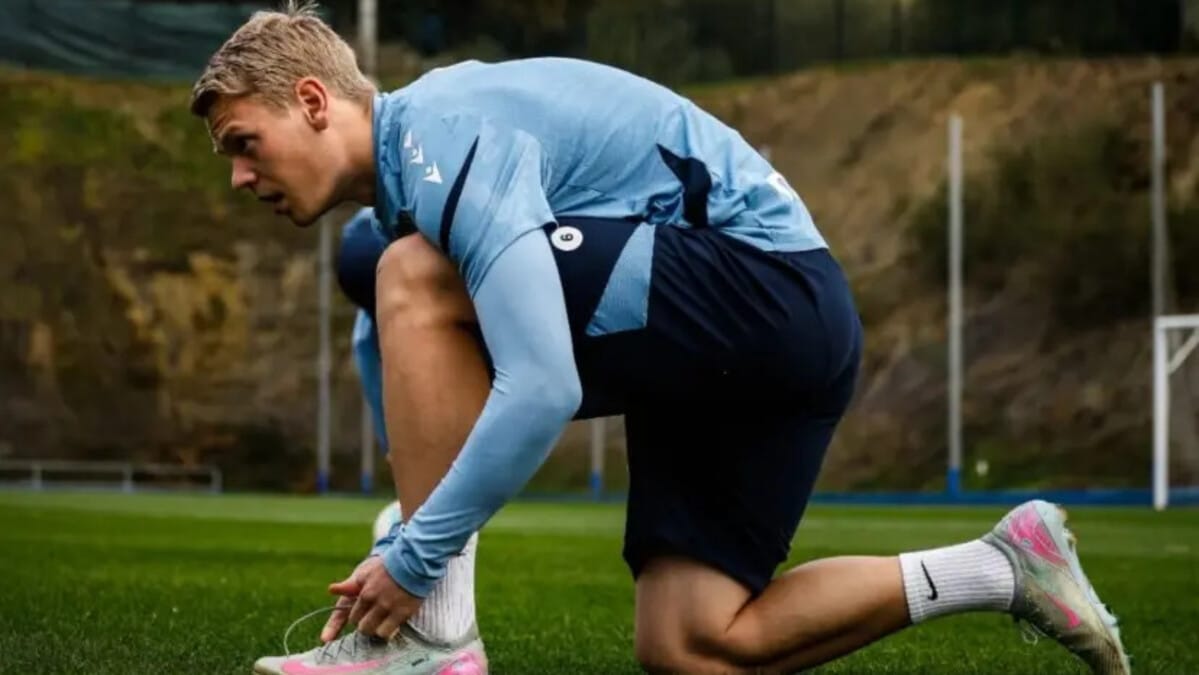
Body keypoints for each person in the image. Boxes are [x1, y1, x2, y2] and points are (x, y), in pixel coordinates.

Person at [191, 3, 1130, 673]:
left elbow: (541, 382)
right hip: (763, 339)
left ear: (314, 101)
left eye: (244, 143)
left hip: (761, 290)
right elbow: (403, 367)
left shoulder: (443, 135)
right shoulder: (407, 194)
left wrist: (415, 558)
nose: (239, 177)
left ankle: (436, 643)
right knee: (695, 642)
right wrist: (412, 513)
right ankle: (1003, 566)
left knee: (410, 274)